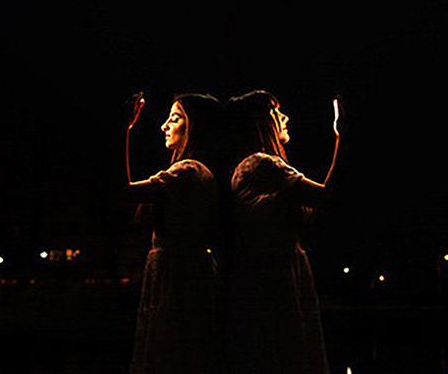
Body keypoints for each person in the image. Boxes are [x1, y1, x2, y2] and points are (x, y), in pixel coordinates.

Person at [223, 90, 342, 374]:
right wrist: (343, 137)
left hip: (267, 274)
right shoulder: (263, 165)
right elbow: (329, 198)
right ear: (259, 122)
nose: (285, 117)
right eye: (276, 112)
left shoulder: (257, 167)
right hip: (274, 279)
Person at [122, 92, 222, 374]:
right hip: (183, 274)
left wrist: (122, 130)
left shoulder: (187, 173)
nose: (164, 125)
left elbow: (120, 192)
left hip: (179, 277)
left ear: (195, 127)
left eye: (175, 118)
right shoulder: (189, 172)